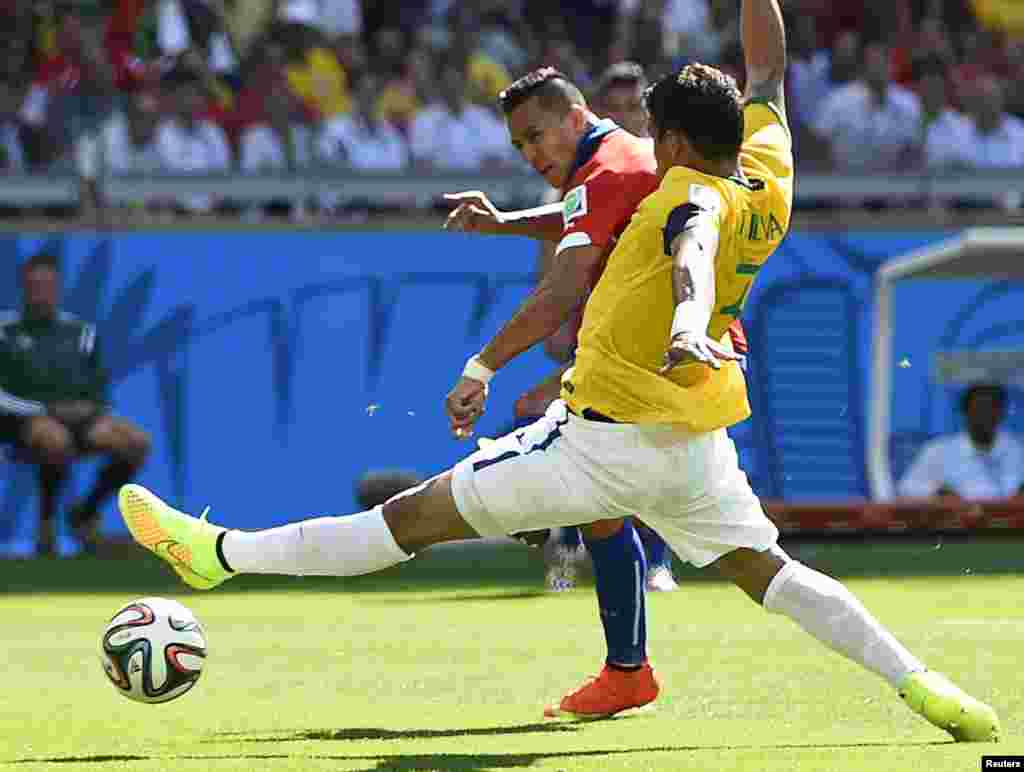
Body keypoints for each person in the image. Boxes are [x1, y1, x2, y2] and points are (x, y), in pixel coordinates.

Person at [118, 0, 1000, 741]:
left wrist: (672, 325)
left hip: (599, 439)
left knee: (406, 520)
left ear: (678, 140)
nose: (645, 144)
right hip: (693, 443)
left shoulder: (686, 193)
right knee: (773, 575)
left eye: (655, 134)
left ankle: (219, 555)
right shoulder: (767, 167)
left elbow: (688, 252)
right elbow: (767, 71)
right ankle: (923, 685)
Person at [0, 253, 150, 556]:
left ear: (58, 289)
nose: (41, 293)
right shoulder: (5, 331)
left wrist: (92, 409)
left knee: (135, 442)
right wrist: (44, 410)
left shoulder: (81, 332)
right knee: (54, 439)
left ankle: (84, 515)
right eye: (35, 286)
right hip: (20, 422)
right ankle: (46, 525)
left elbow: (97, 385)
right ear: (24, 289)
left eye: (47, 286)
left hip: (78, 419)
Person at [898, 382, 1024, 499]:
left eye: (992, 409)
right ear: (965, 413)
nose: (986, 415)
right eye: (979, 409)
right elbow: (907, 489)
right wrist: (939, 492)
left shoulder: (1017, 449)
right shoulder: (939, 451)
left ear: (1002, 414)